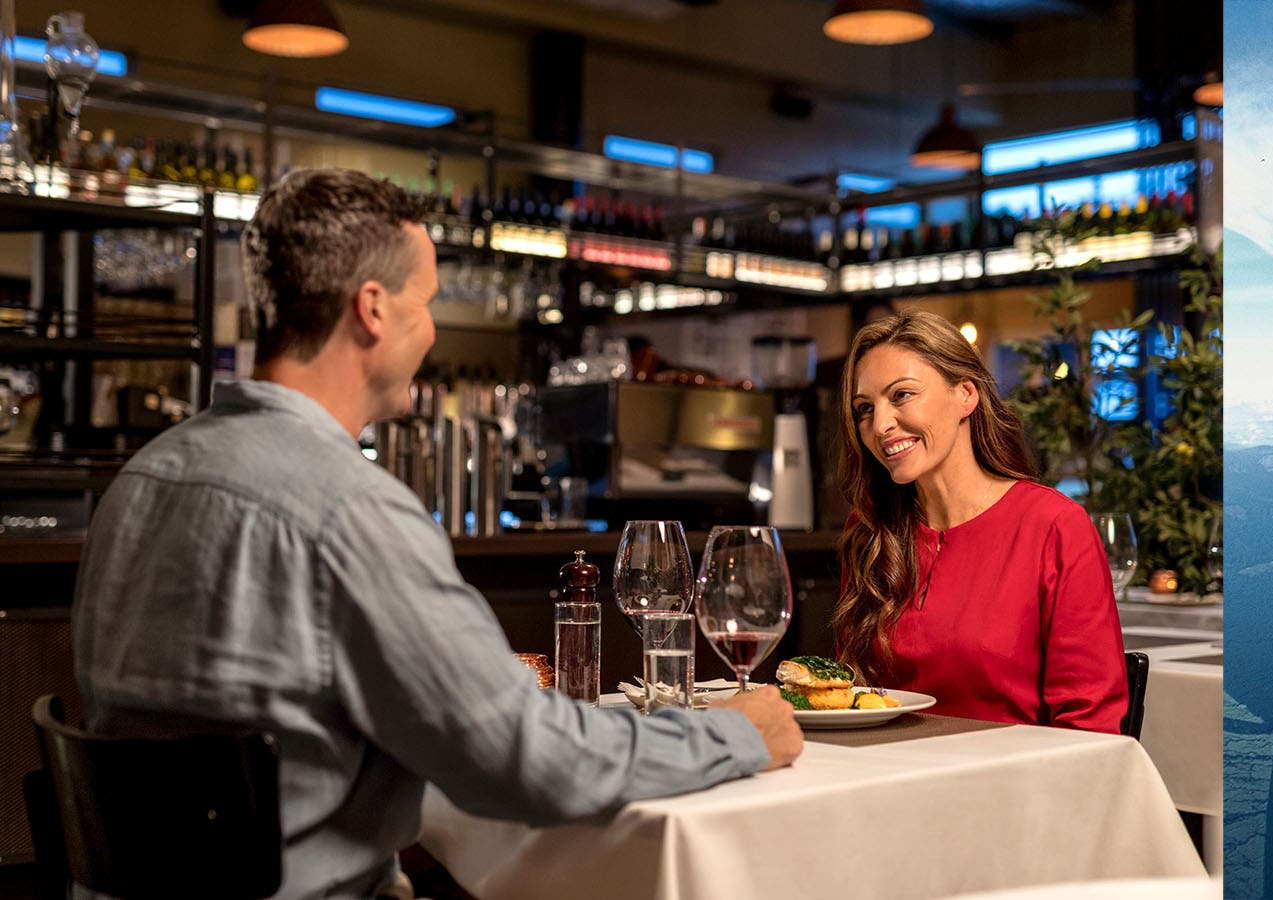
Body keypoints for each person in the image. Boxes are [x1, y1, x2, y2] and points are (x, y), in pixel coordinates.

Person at [72, 169, 803, 900]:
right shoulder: (348, 511)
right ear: (373, 310)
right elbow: (528, 760)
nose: (431, 330)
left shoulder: (141, 481)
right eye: (426, 304)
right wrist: (735, 735)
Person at [833, 311, 1129, 732]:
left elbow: (1091, 725)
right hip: (886, 782)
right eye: (865, 408)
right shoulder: (869, 531)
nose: (880, 425)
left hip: (1017, 787)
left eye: (901, 396)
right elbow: (847, 699)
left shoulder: (1054, 527)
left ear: (966, 395)